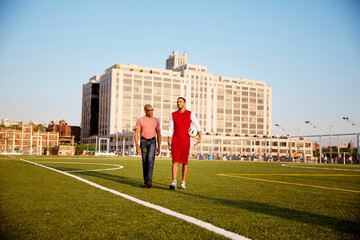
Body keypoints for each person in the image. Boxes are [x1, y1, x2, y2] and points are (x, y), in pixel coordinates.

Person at [168, 97, 202, 190]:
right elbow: (170, 129)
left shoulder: (190, 114)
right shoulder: (173, 115)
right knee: (174, 162)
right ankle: (174, 182)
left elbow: (198, 126)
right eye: (177, 102)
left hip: (186, 142)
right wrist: (169, 141)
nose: (178, 103)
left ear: (184, 103)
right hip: (175, 141)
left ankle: (183, 182)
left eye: (180, 102)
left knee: (184, 163)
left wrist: (199, 137)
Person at [134, 104, 161, 188]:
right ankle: (146, 182)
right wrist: (137, 145)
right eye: (149, 110)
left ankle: (149, 180)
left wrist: (159, 146)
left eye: (152, 110)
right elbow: (136, 133)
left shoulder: (156, 120)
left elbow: (159, 133)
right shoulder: (140, 120)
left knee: (150, 160)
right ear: (145, 111)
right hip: (143, 141)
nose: (151, 112)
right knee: (144, 162)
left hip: (153, 141)